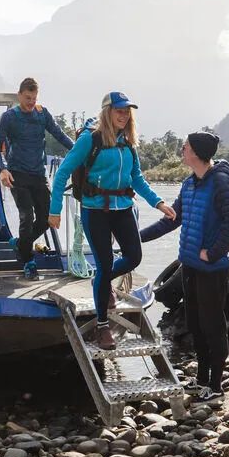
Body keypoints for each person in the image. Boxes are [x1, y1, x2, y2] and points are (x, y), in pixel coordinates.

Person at [48, 92, 175, 349]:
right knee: (105, 264)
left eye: (127, 111)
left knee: (134, 257)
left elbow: (136, 178)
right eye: (118, 110)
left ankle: (101, 282)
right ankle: (102, 325)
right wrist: (55, 210)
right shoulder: (89, 140)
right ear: (107, 111)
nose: (123, 115)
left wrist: (158, 203)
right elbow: (62, 174)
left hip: (123, 207)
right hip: (95, 210)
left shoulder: (128, 142)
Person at [139, 131, 229, 401]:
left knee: (213, 326)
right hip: (189, 267)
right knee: (196, 325)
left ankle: (216, 386)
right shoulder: (189, 184)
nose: (182, 148)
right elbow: (171, 220)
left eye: (185, 146)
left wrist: (212, 253)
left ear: (197, 152)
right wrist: (135, 237)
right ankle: (201, 380)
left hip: (211, 270)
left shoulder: (219, 183)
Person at [0, 77, 74, 279]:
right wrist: (2, 169)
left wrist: (83, 150)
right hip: (17, 174)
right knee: (26, 216)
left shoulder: (42, 114)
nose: (31, 102)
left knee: (47, 218)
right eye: (27, 98)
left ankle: (20, 244)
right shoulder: (9, 117)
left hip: (38, 174)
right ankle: (28, 262)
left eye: (34, 98)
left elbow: (60, 135)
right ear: (19, 95)